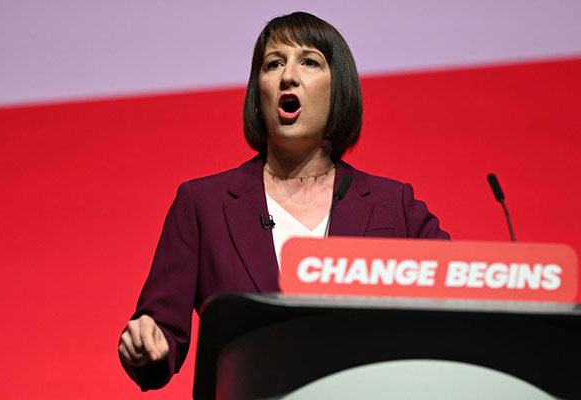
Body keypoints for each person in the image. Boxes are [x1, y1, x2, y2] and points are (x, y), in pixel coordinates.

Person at [118, 11, 449, 390]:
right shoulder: (203, 204)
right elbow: (160, 332)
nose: (288, 75)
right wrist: (148, 345)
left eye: (309, 62)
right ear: (259, 92)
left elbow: (459, 301)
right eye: (273, 64)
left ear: (339, 88)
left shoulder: (394, 204)